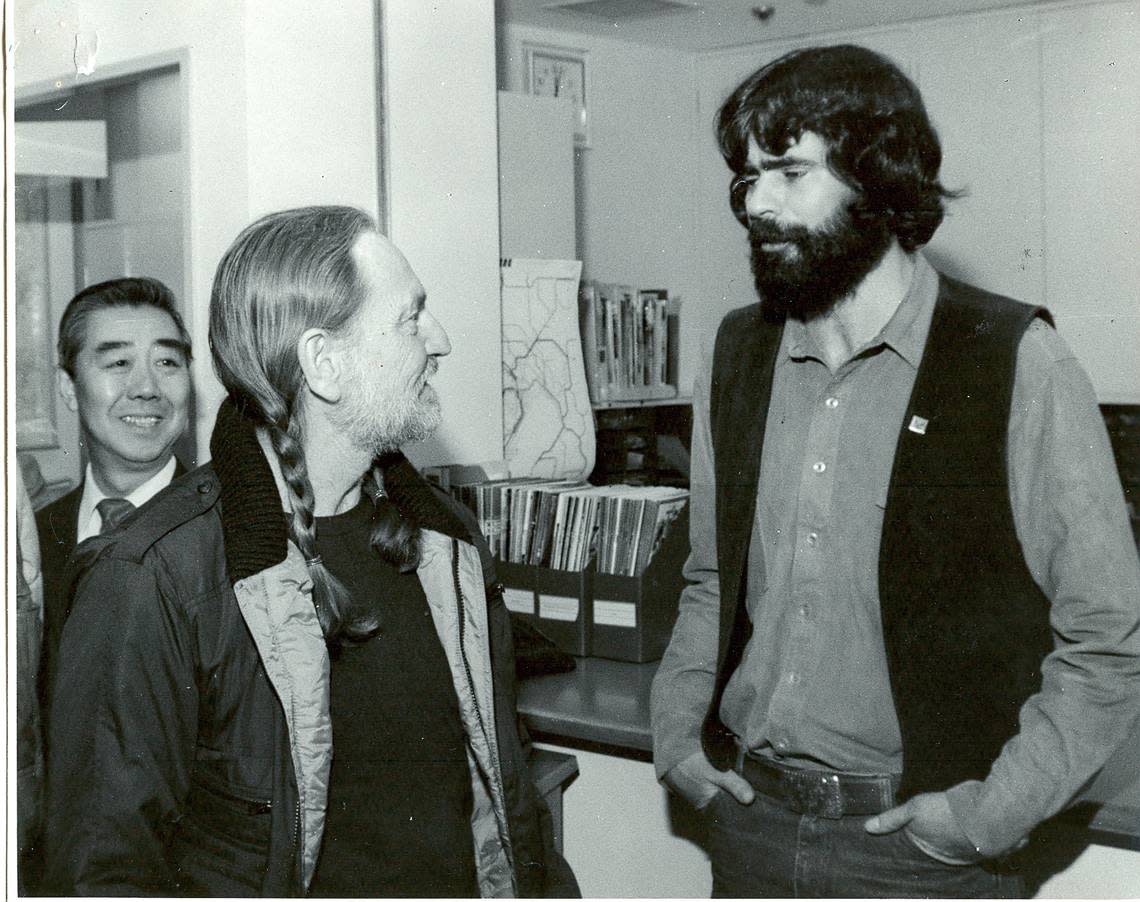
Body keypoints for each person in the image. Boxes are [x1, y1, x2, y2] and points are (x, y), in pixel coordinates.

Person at [651, 44, 1140, 898]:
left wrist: (988, 817)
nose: (754, 204)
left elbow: (1108, 640)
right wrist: (677, 735)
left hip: (921, 854)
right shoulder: (737, 355)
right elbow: (711, 579)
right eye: (746, 179)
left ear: (879, 184)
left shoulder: (1016, 361)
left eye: (789, 173)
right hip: (749, 823)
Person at [42, 205, 578, 897]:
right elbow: (104, 872)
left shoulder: (447, 543)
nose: (438, 341)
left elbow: (507, 803)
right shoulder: (150, 578)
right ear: (325, 362)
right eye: (410, 319)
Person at [35, 277, 193, 707]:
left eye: (167, 362)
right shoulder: (32, 540)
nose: (146, 387)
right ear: (68, 388)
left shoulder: (232, 532)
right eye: (119, 363)